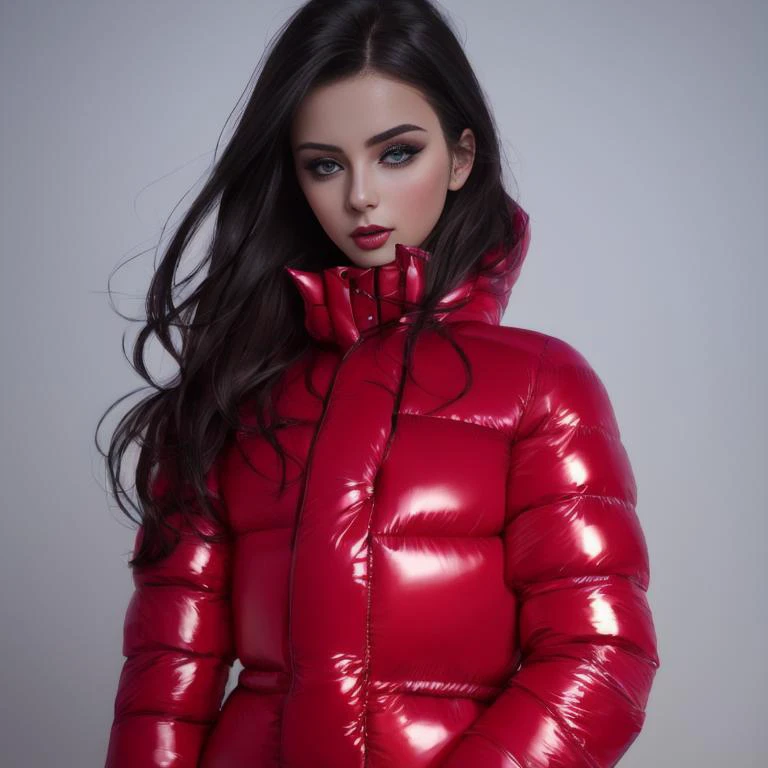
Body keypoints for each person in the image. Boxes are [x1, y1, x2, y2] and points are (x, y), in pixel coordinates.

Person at [100, 0, 660, 766]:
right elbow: (168, 673)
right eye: (325, 164)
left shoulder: (540, 385)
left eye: (396, 153)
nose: (359, 195)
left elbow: (601, 655)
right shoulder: (237, 390)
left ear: (461, 157)